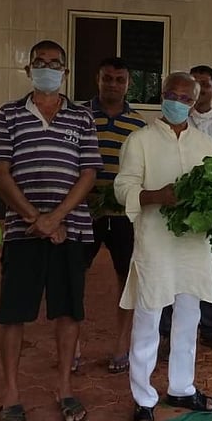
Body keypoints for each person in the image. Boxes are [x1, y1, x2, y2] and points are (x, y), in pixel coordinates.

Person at [0, 40, 102, 421]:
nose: (47, 68)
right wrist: (37, 218)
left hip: (71, 229)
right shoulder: (8, 115)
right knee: (14, 312)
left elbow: (88, 174)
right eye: (40, 62)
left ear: (66, 72)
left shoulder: (82, 118)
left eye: (55, 63)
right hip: (23, 231)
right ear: (28, 69)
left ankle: (65, 388)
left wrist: (57, 218)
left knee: (68, 311)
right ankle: (12, 394)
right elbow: (1, 173)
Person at [114, 72, 212, 421]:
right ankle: (144, 399)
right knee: (148, 320)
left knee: (189, 318)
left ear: (195, 102)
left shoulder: (206, 144)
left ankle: (181, 389)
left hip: (193, 245)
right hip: (155, 243)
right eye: (172, 95)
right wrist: (158, 196)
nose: (178, 102)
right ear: (162, 95)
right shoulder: (139, 140)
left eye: (186, 98)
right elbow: (123, 187)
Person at [159, 64, 212, 354]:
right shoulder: (174, 120)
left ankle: (210, 329)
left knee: (209, 274)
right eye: (195, 83)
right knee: (172, 272)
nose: (201, 88)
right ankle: (166, 333)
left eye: (206, 84)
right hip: (178, 209)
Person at [81, 57, 146, 375]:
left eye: (120, 79)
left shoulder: (138, 125)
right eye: (108, 78)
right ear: (98, 79)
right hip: (83, 211)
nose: (113, 84)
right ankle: (74, 346)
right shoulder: (78, 116)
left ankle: (121, 345)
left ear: (128, 83)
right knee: (74, 277)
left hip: (124, 216)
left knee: (127, 279)